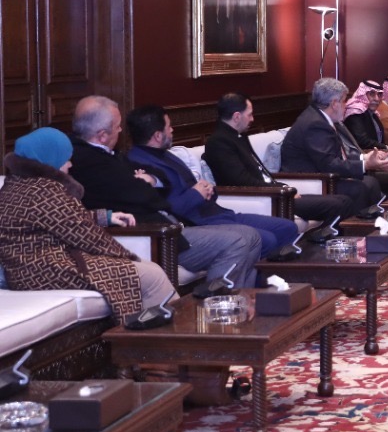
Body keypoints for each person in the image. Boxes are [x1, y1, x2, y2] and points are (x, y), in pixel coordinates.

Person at [67, 96, 261, 291]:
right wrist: (145, 184)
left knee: (252, 236)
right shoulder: (87, 161)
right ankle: (216, 302)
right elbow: (144, 196)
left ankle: (240, 300)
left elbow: (158, 178)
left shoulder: (109, 153)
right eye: (118, 127)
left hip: (170, 226)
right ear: (102, 135)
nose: (120, 131)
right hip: (155, 238)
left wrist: (150, 179)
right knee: (238, 242)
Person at [0, 127, 174, 320]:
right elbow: (90, 238)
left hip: (28, 271)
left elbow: (58, 220)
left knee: (146, 271)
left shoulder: (16, 184)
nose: (70, 164)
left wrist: (105, 217)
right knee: (152, 274)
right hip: (49, 271)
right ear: (50, 158)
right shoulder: (46, 191)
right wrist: (129, 257)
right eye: (66, 159)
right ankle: (168, 334)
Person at [124, 105, 299, 254]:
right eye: (169, 127)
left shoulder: (167, 155)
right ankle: (259, 281)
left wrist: (207, 189)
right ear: (157, 135)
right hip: (198, 223)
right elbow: (166, 210)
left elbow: (196, 186)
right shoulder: (138, 165)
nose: (172, 130)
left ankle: (280, 279)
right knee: (267, 239)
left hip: (218, 213)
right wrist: (197, 194)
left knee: (287, 228)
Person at [203, 92, 356, 221]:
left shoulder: (238, 135)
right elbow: (241, 181)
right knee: (337, 205)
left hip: (275, 192)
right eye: (249, 115)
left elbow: (259, 171)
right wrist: (279, 189)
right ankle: (325, 243)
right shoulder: (219, 143)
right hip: (267, 198)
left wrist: (281, 186)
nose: (252, 119)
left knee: (343, 200)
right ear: (237, 117)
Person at [280, 78, 388, 211]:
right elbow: (329, 164)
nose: (346, 105)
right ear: (334, 103)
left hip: (326, 174)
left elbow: (337, 157)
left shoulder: (321, 118)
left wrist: (366, 158)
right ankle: (363, 223)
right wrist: (366, 165)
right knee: (366, 185)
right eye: (344, 101)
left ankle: (380, 220)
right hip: (313, 180)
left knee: (376, 181)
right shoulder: (315, 124)